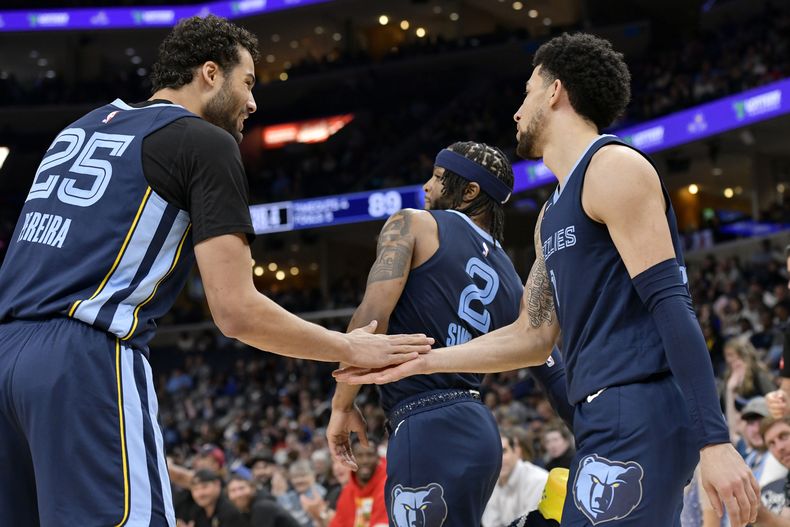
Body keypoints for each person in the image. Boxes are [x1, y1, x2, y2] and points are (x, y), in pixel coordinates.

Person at [0, 15, 432, 526]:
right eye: (247, 82)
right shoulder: (205, 141)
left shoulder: (80, 127)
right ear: (210, 73)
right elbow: (235, 311)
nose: (253, 102)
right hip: (81, 357)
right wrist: (349, 347)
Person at [335, 32, 759, 526]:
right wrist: (413, 362)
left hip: (638, 402)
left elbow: (671, 304)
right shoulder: (551, 214)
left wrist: (716, 440)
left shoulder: (612, 167)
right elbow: (533, 338)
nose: (517, 111)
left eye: (526, 93)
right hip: (603, 416)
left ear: (554, 91)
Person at [327, 141, 570, 526]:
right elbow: (551, 367)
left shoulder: (414, 223)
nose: (426, 186)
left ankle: (546, 523)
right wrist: (599, 434)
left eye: (438, 178)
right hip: (479, 430)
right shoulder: (512, 282)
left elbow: (370, 320)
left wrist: (341, 406)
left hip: (424, 423)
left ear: (470, 191)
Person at [482, 430, 549, 527]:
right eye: (492, 453)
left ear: (517, 452)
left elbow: (526, 524)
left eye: (504, 451)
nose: (498, 459)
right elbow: (490, 523)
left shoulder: (538, 480)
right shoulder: (491, 481)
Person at [178, 469, 247, 527]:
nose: (200, 494)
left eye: (204, 487)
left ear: (217, 484)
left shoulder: (230, 512)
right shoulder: (197, 511)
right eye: (195, 489)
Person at [226, 475, 300, 527]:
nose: (238, 494)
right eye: (233, 490)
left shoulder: (262, 507)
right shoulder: (247, 510)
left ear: (253, 489)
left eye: (242, 488)